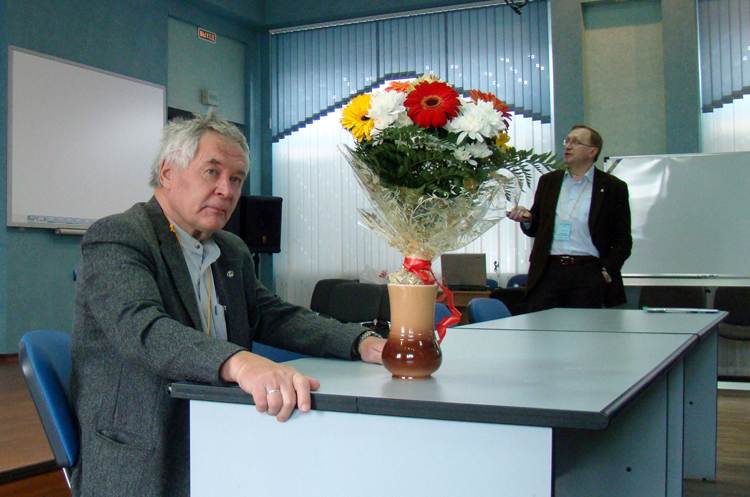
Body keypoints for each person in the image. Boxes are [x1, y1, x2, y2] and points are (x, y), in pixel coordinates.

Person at [70, 112, 386, 496]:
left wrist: (360, 342)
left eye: (236, 179)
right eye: (212, 172)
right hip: (148, 449)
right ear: (168, 172)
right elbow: (143, 329)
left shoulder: (230, 248)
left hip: (226, 429)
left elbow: (273, 315)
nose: (227, 190)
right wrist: (239, 362)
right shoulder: (119, 235)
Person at [507, 124, 632, 311]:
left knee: (582, 328)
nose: (568, 146)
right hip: (548, 271)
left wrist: (605, 273)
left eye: (576, 142)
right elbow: (536, 227)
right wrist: (528, 219)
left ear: (592, 152)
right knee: (542, 326)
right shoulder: (549, 181)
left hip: (588, 272)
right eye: (567, 141)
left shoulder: (613, 187)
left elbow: (623, 240)